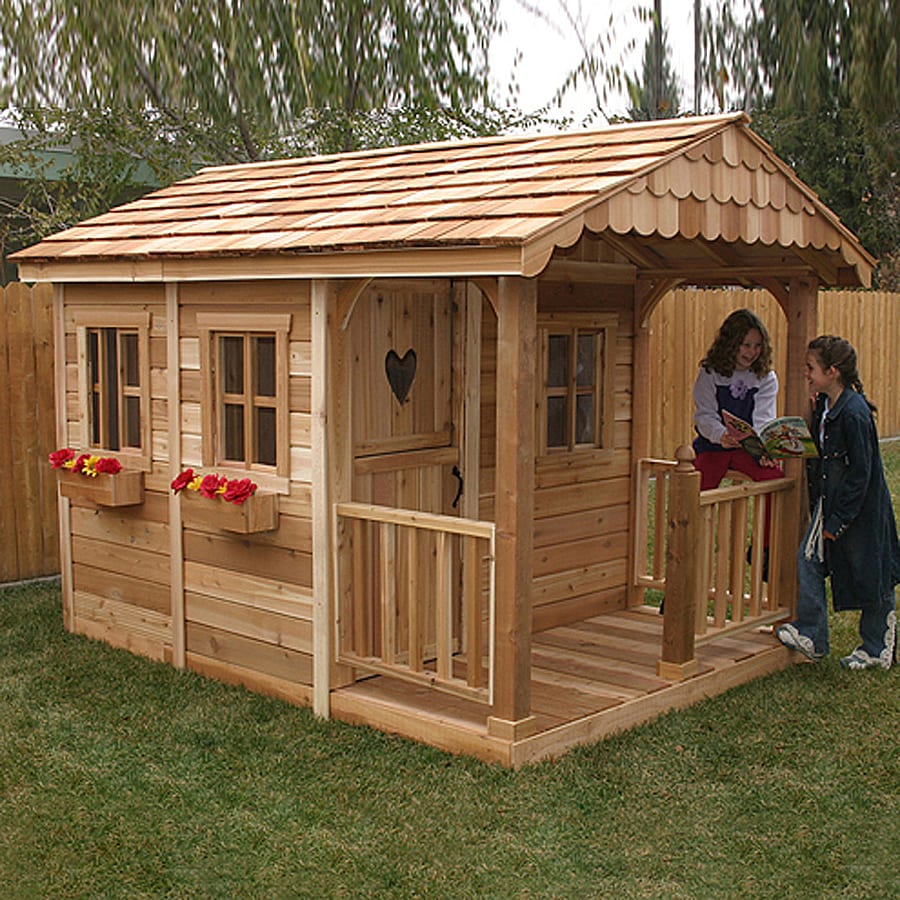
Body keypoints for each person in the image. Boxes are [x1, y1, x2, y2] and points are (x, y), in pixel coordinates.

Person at [777, 335, 900, 670]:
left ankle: (878, 646)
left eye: (811, 368)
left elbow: (862, 474)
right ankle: (814, 635)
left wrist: (838, 521)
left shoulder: (854, 414)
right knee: (808, 558)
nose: (806, 373)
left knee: (873, 572)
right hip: (828, 503)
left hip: (859, 510)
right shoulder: (826, 406)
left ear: (832, 371)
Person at [692, 308, 783, 489]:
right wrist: (721, 435)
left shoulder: (765, 377)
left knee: (774, 479)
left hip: (748, 451)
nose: (752, 352)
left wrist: (762, 450)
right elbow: (705, 415)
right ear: (731, 344)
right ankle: (693, 518)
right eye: (746, 345)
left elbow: (763, 420)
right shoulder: (710, 373)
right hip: (713, 446)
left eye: (758, 346)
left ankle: (772, 519)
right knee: (698, 485)